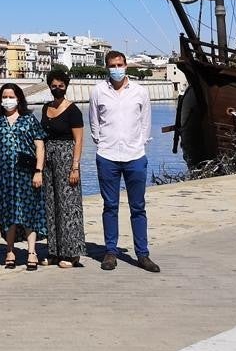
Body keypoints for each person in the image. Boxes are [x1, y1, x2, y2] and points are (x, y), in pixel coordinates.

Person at [90, 51, 160, 273]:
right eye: (112, 65)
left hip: (135, 156)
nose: (116, 68)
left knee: (138, 206)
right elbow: (94, 123)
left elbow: (145, 122)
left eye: (120, 64)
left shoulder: (140, 92)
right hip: (108, 156)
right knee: (109, 206)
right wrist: (102, 145)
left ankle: (142, 254)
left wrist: (139, 145)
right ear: (107, 67)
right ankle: (110, 251)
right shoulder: (98, 91)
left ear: (126, 65)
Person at [0, 84, 47, 271]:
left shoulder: (29, 120)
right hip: (2, 176)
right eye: (4, 96)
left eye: (11, 96)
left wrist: (39, 170)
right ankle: (10, 250)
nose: (7, 100)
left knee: (29, 212)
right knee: (7, 212)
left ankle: (31, 251)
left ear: (19, 98)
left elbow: (39, 146)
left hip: (27, 174)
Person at [41, 70, 86, 268]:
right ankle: (54, 251)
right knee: (51, 205)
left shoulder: (73, 110)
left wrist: (75, 166)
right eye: (53, 85)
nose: (57, 89)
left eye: (61, 86)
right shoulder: (45, 108)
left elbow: (78, 140)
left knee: (69, 206)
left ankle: (71, 253)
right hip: (48, 160)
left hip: (67, 157)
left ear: (66, 86)